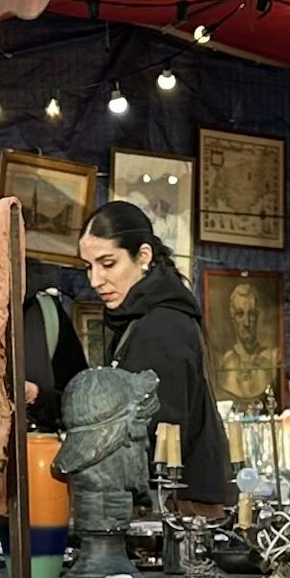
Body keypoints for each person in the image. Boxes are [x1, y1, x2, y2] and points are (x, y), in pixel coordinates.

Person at [74, 200, 233, 510]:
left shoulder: (162, 325)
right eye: (88, 267)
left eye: (108, 264)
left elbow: (160, 432)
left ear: (143, 256)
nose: (95, 281)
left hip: (176, 509)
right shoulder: (140, 319)